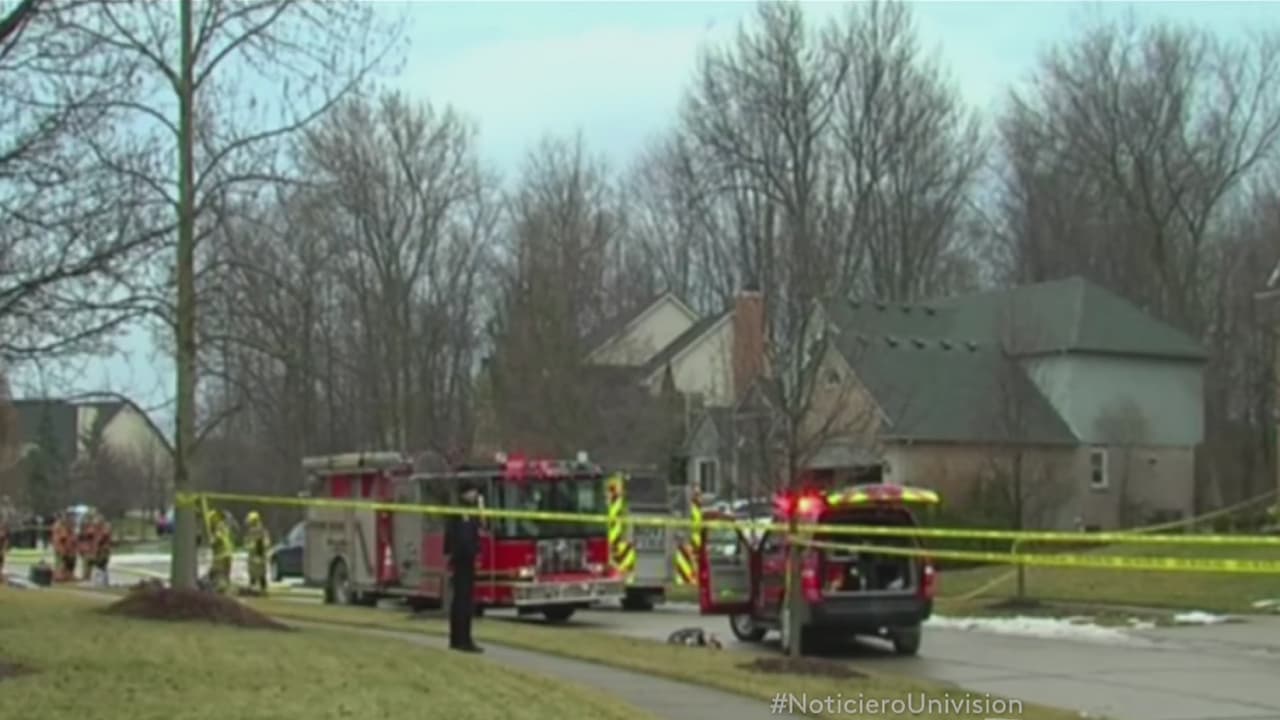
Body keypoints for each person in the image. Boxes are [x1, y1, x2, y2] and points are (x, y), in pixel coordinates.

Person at [444, 484, 483, 653]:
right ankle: (463, 640)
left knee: (460, 600)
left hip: (459, 559)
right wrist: (474, 553)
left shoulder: (464, 510)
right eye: (473, 492)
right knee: (464, 602)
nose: (475, 495)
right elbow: (465, 538)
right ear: (466, 493)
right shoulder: (464, 512)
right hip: (464, 561)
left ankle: (457, 639)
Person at [242, 511, 270, 595]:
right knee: (253, 572)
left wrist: (257, 547)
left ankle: (262, 588)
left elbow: (265, 542)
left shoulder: (261, 531)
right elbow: (247, 543)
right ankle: (255, 587)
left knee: (260, 572)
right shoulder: (252, 531)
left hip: (259, 555)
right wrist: (249, 545)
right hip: (253, 555)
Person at [206, 511, 234, 594]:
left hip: (221, 556)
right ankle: (226, 591)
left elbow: (217, 539)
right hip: (227, 554)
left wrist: (212, 540)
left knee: (215, 574)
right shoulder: (223, 526)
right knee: (224, 575)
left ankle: (221, 591)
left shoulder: (218, 528)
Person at [91, 512, 112, 586]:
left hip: (104, 550)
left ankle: (103, 582)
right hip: (98, 550)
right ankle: (99, 581)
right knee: (99, 565)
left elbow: (103, 537)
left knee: (101, 565)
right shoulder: (96, 529)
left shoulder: (105, 528)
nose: (95, 523)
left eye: (97, 521)